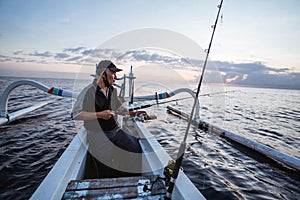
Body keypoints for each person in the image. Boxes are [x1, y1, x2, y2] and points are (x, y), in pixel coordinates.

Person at [71, 60, 143, 178]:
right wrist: (99, 114)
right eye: (113, 73)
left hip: (116, 131)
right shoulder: (88, 91)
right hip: (98, 134)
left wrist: (132, 112)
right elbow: (75, 114)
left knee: (134, 148)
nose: (115, 77)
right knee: (105, 165)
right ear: (103, 73)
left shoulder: (112, 90)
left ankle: (131, 179)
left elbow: (119, 108)